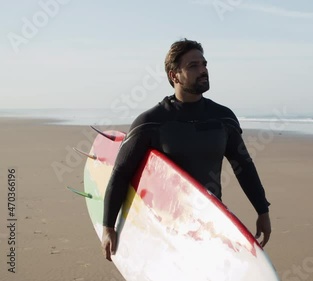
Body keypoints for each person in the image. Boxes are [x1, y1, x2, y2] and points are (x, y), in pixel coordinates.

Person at [101, 38, 272, 261]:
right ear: (174, 76)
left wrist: (262, 211)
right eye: (193, 66)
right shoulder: (151, 122)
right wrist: (108, 227)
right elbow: (121, 173)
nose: (203, 70)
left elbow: (244, 166)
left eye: (204, 64)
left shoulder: (222, 117)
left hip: (209, 225)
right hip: (164, 230)